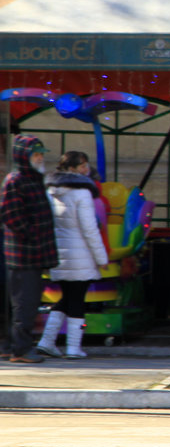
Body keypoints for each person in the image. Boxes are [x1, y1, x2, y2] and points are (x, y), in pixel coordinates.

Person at [37, 151, 107, 359]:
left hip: (60, 254)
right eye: (83, 166)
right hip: (81, 255)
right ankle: (73, 347)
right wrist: (101, 258)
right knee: (77, 299)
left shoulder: (52, 191)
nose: (87, 169)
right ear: (71, 169)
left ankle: (47, 341)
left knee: (66, 297)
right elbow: (89, 229)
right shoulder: (82, 192)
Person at [1, 135, 58, 363]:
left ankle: (10, 345)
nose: (40, 158)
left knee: (27, 302)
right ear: (23, 156)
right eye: (36, 154)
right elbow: (11, 215)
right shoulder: (16, 180)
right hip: (23, 254)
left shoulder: (34, 179)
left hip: (35, 253)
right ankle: (21, 349)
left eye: (41, 154)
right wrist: (31, 235)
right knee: (25, 303)